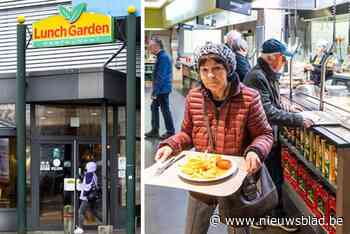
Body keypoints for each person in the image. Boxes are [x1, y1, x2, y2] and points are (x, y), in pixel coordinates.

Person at [155, 42, 273, 234]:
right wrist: (171, 145)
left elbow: (264, 134)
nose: (210, 75)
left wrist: (255, 150)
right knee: (194, 230)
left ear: (228, 69)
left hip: (237, 181)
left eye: (217, 68)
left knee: (238, 231)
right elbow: (187, 133)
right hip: (202, 179)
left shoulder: (249, 98)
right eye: (204, 69)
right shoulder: (194, 97)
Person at [244, 38, 314, 232]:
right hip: (260, 136)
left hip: (265, 135)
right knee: (271, 177)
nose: (284, 62)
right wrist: (298, 120)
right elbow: (267, 112)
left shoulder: (266, 74)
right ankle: (275, 215)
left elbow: (272, 103)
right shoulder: (257, 76)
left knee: (267, 176)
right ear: (274, 58)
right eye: (283, 58)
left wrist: (288, 107)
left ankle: (261, 215)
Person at [145, 38, 175, 140]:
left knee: (165, 109)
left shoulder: (163, 57)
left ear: (157, 46)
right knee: (154, 107)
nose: (149, 47)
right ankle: (155, 129)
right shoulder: (161, 56)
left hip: (162, 89)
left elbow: (161, 76)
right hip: (162, 88)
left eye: (151, 45)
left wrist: (155, 92)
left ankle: (170, 131)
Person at [74, 161, 101, 234]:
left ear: (90, 167)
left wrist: (83, 194)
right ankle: (105, 222)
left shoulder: (89, 175)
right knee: (94, 211)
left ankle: (80, 228)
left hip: (87, 198)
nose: (86, 167)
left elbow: (87, 187)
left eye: (87, 166)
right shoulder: (94, 175)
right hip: (92, 196)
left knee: (80, 212)